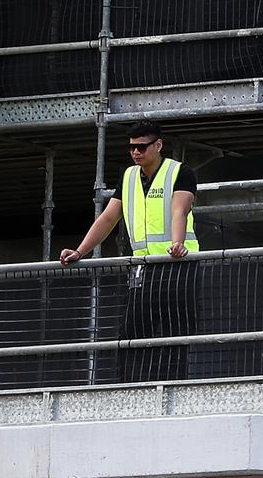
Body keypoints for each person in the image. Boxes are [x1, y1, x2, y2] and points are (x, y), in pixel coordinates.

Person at [60, 121, 200, 381]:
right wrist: (80, 251)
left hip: (177, 267)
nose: (136, 153)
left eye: (142, 147)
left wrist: (177, 243)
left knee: (176, 331)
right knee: (132, 331)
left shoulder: (179, 172)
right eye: (132, 148)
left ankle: (175, 385)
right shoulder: (128, 177)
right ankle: (130, 384)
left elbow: (179, 210)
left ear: (158, 145)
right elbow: (108, 218)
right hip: (143, 268)